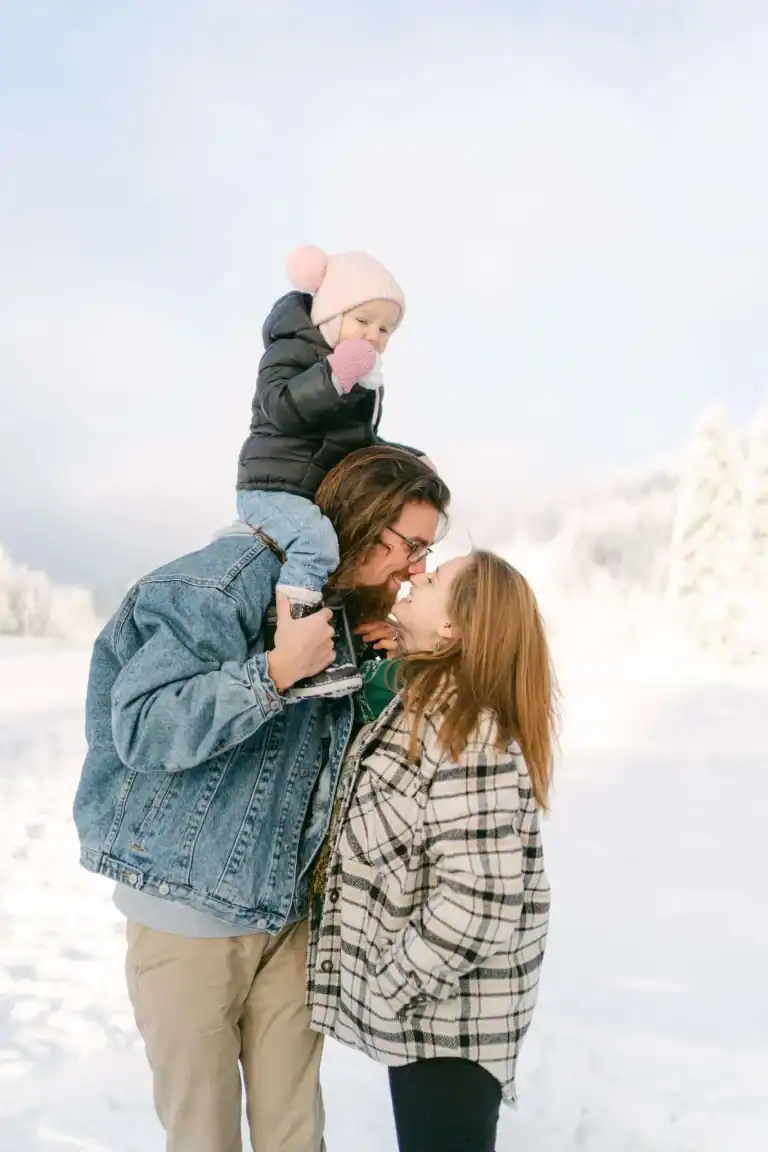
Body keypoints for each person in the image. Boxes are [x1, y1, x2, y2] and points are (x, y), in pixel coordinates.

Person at [72, 445, 450, 1152]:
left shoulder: (340, 611)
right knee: (204, 1136)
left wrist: (393, 661)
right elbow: (142, 724)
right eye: (413, 546)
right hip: (189, 917)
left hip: (290, 917)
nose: (418, 569)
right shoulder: (221, 585)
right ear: (364, 522)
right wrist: (272, 673)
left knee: (295, 1133)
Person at [308, 551, 558, 1152]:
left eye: (435, 578)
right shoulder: (432, 702)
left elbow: (480, 901)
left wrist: (392, 986)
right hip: (434, 1028)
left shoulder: (468, 731)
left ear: (454, 628)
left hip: (448, 1031)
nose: (416, 575)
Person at [237, 243, 426, 700]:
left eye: (386, 329)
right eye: (363, 321)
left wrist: (410, 460)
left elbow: (358, 446)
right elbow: (281, 408)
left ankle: (334, 651)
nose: (375, 336)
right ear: (330, 314)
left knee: (339, 550)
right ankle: (297, 651)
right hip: (272, 487)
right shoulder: (294, 352)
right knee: (315, 544)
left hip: (312, 494)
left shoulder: (361, 378)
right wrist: (333, 375)